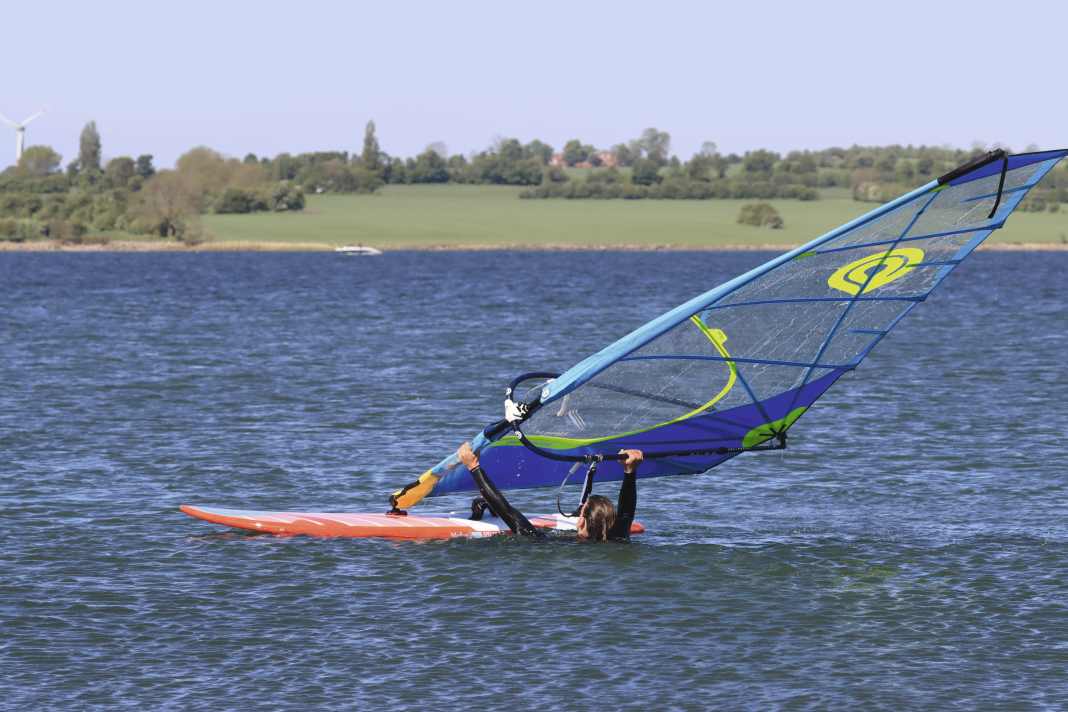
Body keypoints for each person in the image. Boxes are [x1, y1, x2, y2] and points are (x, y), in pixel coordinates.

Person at [456, 442, 643, 541]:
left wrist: (473, 466)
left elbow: (509, 513)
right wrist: (630, 470)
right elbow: (626, 512)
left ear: (581, 521)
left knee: (523, 530)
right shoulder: (617, 536)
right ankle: (485, 504)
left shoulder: (550, 542)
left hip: (542, 547)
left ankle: (483, 505)